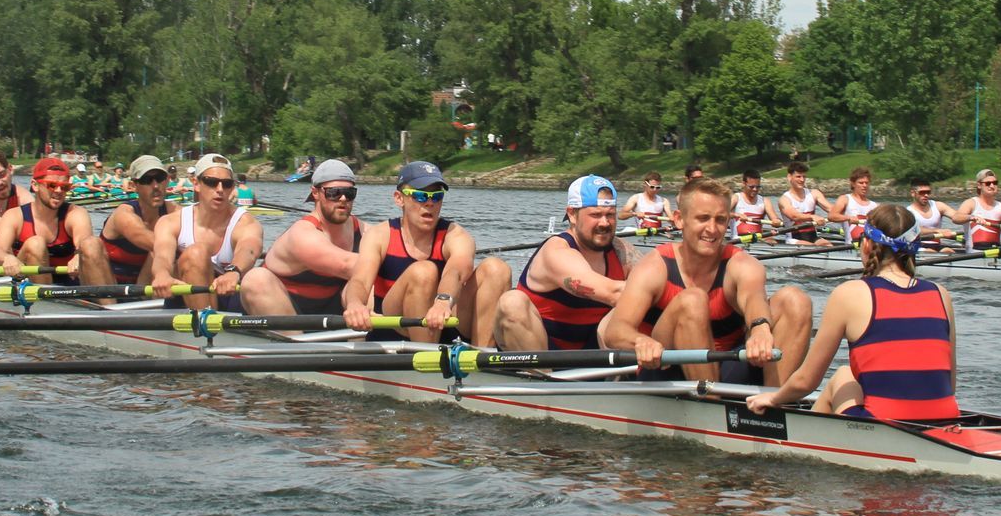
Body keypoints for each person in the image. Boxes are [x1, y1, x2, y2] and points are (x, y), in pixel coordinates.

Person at [745, 205, 960, 421]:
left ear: (866, 244)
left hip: (884, 425)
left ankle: (798, 437)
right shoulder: (941, 294)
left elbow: (805, 382)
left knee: (843, 375)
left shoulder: (849, 293)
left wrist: (773, 398)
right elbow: (949, 385)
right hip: (946, 419)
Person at [604, 177, 813, 386]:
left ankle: (773, 398)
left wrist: (760, 329)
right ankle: (711, 400)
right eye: (703, 218)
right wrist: (641, 342)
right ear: (679, 219)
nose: (712, 229)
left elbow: (753, 299)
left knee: (795, 300)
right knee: (692, 299)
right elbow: (615, 331)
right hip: (666, 370)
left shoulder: (742, 264)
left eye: (720, 220)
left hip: (726, 368)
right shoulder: (654, 267)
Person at [343, 160, 511, 344]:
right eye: (420, 196)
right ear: (399, 198)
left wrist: (443, 301)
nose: (430, 203)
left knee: (497, 269)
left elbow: (456, 271)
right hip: (394, 328)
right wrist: (355, 305)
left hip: (444, 319)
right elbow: (360, 280)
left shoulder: (456, 235)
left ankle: (481, 354)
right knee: (424, 271)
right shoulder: (379, 235)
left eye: (437, 196)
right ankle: (424, 353)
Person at [495, 175, 638, 351]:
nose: (605, 223)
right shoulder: (556, 251)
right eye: (595, 215)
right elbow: (613, 293)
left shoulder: (622, 250)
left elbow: (657, 280)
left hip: (591, 347)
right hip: (544, 349)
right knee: (512, 302)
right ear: (572, 214)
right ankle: (541, 371)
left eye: (610, 214)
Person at [242, 159, 367, 315]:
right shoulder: (302, 233)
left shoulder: (362, 229)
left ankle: (370, 327)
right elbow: (346, 264)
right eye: (334, 193)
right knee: (256, 279)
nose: (343, 199)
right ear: (315, 193)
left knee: (367, 279)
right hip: (286, 309)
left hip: (332, 308)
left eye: (349, 193)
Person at [150, 153, 264, 311]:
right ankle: (205, 319)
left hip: (229, 295)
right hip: (183, 297)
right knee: (196, 253)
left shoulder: (246, 222)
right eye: (211, 182)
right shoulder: (170, 222)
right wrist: (162, 274)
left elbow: (249, 249)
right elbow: (162, 256)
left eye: (227, 184)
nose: (220, 189)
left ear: (232, 187)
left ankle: (207, 319)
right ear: (196, 183)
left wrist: (234, 271)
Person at [0, 156, 113, 284]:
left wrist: (78, 255)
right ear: (35, 185)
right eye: (52, 185)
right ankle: (43, 295)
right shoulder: (14, 216)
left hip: (70, 280)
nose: (59, 191)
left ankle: (106, 297)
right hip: (28, 281)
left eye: (64, 187)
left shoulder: (75, 213)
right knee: (35, 244)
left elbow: (84, 240)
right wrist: (7, 258)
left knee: (92, 243)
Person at [98, 154, 170, 285]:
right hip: (111, 284)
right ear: (133, 185)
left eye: (160, 178)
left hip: (145, 283)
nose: (155, 186)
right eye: (147, 180)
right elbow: (151, 241)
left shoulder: (174, 210)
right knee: (89, 245)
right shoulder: (124, 214)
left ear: (167, 181)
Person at [952, 169, 1001, 249]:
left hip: (995, 251)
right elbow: (956, 218)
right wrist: (971, 217)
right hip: (973, 253)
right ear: (979, 185)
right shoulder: (971, 203)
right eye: (988, 183)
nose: (992, 186)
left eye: (995, 183)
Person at [777, 161, 834, 244]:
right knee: (812, 248)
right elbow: (794, 216)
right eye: (798, 176)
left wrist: (846, 214)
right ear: (789, 177)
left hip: (813, 237)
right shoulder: (784, 199)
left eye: (804, 176)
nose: (802, 180)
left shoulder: (814, 193)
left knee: (828, 245)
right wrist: (812, 217)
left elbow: (831, 209)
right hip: (794, 239)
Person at [828, 167, 880, 242]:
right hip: (851, 246)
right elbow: (831, 216)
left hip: (869, 245)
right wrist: (848, 218)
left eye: (866, 183)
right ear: (853, 184)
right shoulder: (845, 199)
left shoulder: (875, 206)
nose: (864, 185)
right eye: (861, 183)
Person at [905, 181, 961, 249]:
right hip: (917, 245)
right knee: (932, 251)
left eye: (928, 192)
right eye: (922, 192)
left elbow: (957, 216)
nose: (926, 195)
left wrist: (970, 218)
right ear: (913, 193)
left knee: (948, 250)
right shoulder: (908, 212)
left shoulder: (939, 206)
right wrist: (937, 230)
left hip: (936, 245)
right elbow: (914, 230)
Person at [731, 170, 781, 238]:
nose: (755, 189)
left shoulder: (765, 201)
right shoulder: (736, 198)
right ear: (744, 184)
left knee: (771, 240)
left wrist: (777, 221)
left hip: (757, 239)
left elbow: (775, 219)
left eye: (758, 187)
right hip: (738, 240)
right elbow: (721, 214)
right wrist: (736, 215)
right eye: (751, 187)